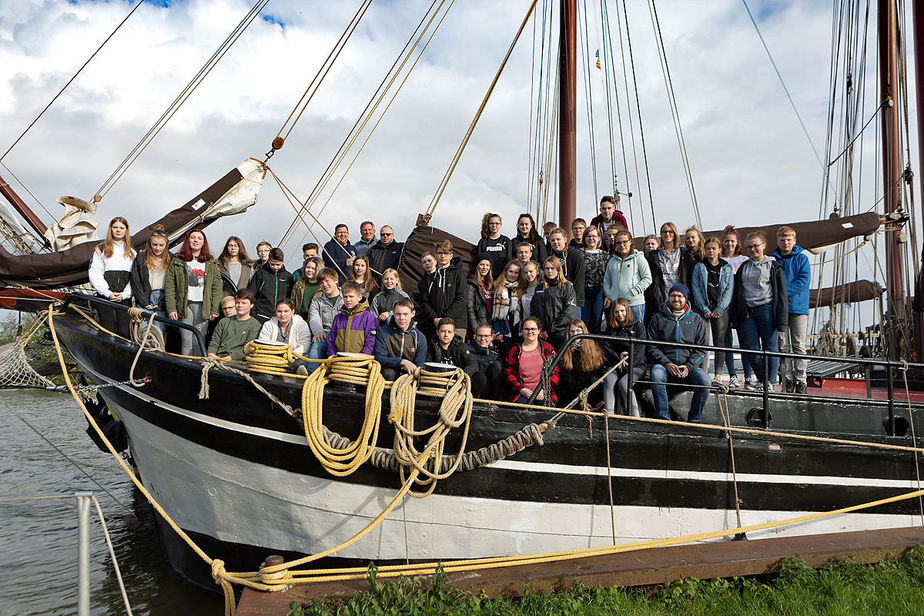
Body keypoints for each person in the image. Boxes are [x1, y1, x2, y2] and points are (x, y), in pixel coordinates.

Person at [731, 231, 788, 391]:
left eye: (756, 246)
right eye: (749, 247)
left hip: (767, 309)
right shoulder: (744, 267)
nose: (753, 249)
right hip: (748, 311)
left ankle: (770, 381)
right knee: (750, 347)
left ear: (763, 246)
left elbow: (782, 293)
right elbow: (738, 291)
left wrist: (782, 320)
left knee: (770, 347)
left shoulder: (774, 266)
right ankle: (764, 380)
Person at [646, 284, 711, 422]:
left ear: (685, 298)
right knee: (656, 375)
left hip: (688, 366)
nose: (676, 299)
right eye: (673, 295)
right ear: (668, 297)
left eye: (680, 296)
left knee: (705, 381)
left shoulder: (696, 319)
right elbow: (651, 346)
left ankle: (694, 419)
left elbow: (702, 348)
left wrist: (689, 366)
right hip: (664, 365)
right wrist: (667, 363)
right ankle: (664, 417)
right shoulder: (657, 318)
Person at [165, 228, 223, 356]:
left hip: (203, 306)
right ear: (188, 240)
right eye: (193, 237)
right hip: (184, 305)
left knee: (199, 340)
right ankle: (186, 367)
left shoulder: (210, 262)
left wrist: (214, 309)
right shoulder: (178, 261)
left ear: (203, 242)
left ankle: (199, 369)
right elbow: (170, 286)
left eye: (199, 238)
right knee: (186, 342)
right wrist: (171, 308)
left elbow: (217, 287)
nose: (196, 240)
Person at [773, 226, 811, 393]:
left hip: (798, 307)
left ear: (794, 241)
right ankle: (787, 379)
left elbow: (804, 281)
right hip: (780, 308)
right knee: (783, 345)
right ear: (778, 242)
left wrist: (782, 291)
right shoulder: (773, 261)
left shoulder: (802, 259)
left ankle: (801, 379)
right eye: (782, 240)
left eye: (788, 240)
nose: (786, 243)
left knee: (798, 345)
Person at [691, 237, 734, 381]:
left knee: (719, 342)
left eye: (714, 248)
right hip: (703, 308)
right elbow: (695, 288)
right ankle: (703, 372)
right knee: (702, 341)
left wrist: (720, 308)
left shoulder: (726, 267)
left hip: (719, 309)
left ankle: (718, 374)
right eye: (708, 248)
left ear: (719, 250)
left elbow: (729, 289)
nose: (711, 251)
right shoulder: (699, 267)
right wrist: (703, 308)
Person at [89, 216, 136, 337]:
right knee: (107, 331)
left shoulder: (132, 253)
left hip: (124, 297)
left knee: (124, 332)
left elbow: (134, 278)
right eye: (115, 227)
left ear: (126, 230)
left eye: (121, 227)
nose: (118, 230)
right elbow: (95, 273)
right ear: (111, 229)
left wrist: (125, 294)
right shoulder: (101, 249)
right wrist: (107, 292)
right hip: (105, 297)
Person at [415, 240, 466, 340]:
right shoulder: (430, 278)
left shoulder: (458, 275)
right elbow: (426, 301)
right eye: (439, 253)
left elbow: (462, 299)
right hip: (435, 325)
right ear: (436, 255)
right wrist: (435, 318)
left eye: (445, 253)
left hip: (456, 324)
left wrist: (446, 318)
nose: (442, 256)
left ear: (451, 255)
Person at [603, 298, 646, 416]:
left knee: (624, 383)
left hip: (636, 365)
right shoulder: (610, 329)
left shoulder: (638, 327)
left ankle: (635, 416)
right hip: (617, 364)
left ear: (627, 310)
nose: (620, 314)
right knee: (609, 379)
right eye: (616, 312)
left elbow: (640, 351)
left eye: (622, 311)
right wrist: (619, 360)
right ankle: (609, 415)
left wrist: (627, 365)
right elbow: (609, 349)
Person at [720, 226, 752, 388]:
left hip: (741, 304)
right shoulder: (719, 261)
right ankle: (732, 375)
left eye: (732, 241)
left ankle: (748, 376)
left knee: (745, 341)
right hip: (725, 305)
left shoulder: (745, 261)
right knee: (726, 341)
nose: (729, 244)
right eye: (726, 241)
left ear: (737, 242)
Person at [503, 316, 559, 406]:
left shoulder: (547, 348)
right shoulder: (514, 350)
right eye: (526, 329)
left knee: (546, 415)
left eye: (533, 329)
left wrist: (544, 390)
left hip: (544, 394)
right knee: (522, 415)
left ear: (539, 330)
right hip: (520, 394)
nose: (530, 332)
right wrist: (520, 389)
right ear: (522, 331)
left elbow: (555, 373)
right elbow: (508, 372)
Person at [603, 228, 652, 324]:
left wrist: (633, 292)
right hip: (617, 305)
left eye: (624, 242)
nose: (622, 245)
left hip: (634, 304)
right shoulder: (612, 261)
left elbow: (647, 279)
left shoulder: (639, 258)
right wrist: (610, 295)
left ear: (630, 242)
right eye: (618, 243)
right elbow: (606, 281)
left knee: (635, 333)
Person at [130, 223, 171, 331]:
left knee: (158, 330)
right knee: (143, 329)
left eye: (161, 245)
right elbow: (135, 280)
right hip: (146, 296)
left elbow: (173, 283)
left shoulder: (171, 259)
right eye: (154, 245)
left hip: (162, 298)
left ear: (166, 244)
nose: (157, 248)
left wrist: (164, 303)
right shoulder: (141, 257)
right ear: (150, 244)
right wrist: (144, 302)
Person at [427, 318, 485, 394]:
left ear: (453, 333)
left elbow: (473, 364)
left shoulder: (459, 346)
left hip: (457, 381)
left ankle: (471, 400)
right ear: (437, 332)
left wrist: (460, 376)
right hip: (438, 382)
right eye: (443, 331)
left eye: (449, 332)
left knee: (480, 377)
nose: (446, 335)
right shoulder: (431, 346)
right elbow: (427, 366)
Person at [374, 298, 427, 380]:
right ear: (393, 314)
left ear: (412, 313)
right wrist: (402, 362)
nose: (401, 318)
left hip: (409, 375)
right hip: (388, 372)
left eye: (405, 314)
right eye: (398, 314)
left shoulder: (419, 337)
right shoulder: (383, 332)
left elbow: (419, 365)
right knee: (388, 374)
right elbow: (379, 357)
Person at [557, 320, 605, 409]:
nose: (575, 334)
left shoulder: (594, 349)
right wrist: (580, 400)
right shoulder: (564, 351)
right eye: (572, 331)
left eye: (578, 331)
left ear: (584, 332)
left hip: (591, 395)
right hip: (573, 396)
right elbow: (566, 381)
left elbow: (599, 375)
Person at [531, 257, 577, 349]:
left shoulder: (567, 287)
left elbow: (569, 312)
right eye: (547, 268)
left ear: (558, 269)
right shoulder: (539, 288)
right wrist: (540, 329)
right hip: (542, 335)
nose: (550, 271)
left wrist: (552, 329)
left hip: (560, 334)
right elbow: (534, 311)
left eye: (552, 268)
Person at [258, 298, 313, 373]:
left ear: (292, 311)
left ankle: (295, 369)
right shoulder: (268, 325)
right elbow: (262, 345)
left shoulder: (301, 324)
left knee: (308, 357)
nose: (282, 314)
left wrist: (288, 356)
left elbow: (305, 346)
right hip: (273, 358)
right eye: (279, 311)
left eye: (286, 311)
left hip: (294, 357)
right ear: (275, 312)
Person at [207, 288, 262, 361]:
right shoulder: (223, 322)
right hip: (217, 359)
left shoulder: (256, 325)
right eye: (237, 302)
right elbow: (214, 342)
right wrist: (211, 354)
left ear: (251, 305)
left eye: (244, 303)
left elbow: (248, 349)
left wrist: (229, 358)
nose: (240, 306)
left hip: (239, 363)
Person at [327, 280, 377, 356]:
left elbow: (370, 343)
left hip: (361, 362)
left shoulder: (369, 318)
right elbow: (331, 341)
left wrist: (361, 359)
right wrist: (332, 356)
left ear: (359, 297)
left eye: (351, 296)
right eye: (345, 297)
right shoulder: (338, 318)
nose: (348, 300)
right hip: (338, 361)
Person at [307, 267, 344, 369]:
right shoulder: (316, 302)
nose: (325, 285)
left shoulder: (346, 298)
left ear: (336, 280)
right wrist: (318, 331)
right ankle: (311, 372)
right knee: (317, 344)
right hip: (325, 333)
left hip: (343, 333)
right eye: (321, 283)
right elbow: (314, 319)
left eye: (327, 281)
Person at [248, 247, 294, 322]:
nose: (275, 267)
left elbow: (290, 297)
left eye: (278, 265)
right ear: (268, 260)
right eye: (272, 264)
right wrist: (253, 313)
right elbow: (251, 294)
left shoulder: (288, 276)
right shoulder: (260, 274)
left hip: (280, 317)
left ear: (283, 262)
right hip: (261, 315)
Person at [548, 228, 585, 320]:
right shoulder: (550, 257)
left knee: (573, 327)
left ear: (565, 239)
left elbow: (579, 279)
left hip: (572, 299)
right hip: (556, 299)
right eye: (553, 240)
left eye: (558, 239)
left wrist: (576, 300)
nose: (555, 242)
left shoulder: (575, 255)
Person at [580, 225, 609, 333]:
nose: (591, 239)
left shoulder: (605, 256)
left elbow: (608, 277)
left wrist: (607, 295)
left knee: (596, 322)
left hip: (599, 292)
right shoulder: (578, 254)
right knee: (584, 322)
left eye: (594, 236)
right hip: (583, 291)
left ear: (599, 238)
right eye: (588, 236)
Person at [467, 321, 504, 400]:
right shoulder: (466, 351)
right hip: (471, 391)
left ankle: (495, 401)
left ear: (492, 337)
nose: (483, 339)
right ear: (475, 336)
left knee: (497, 366)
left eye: (486, 336)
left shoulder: (495, 355)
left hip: (488, 394)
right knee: (480, 376)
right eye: (480, 335)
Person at [491, 260, 522, 342]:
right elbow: (494, 314)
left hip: (518, 328)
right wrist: (497, 332)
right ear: (506, 272)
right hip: (503, 330)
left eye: (516, 272)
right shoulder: (498, 288)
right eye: (510, 271)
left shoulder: (521, 289)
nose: (513, 275)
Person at [476, 213, 514, 278]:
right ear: (488, 225)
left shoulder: (506, 241)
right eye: (491, 223)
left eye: (497, 223)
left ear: (501, 225)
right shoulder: (483, 241)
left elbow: (509, 260)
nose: (494, 225)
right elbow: (479, 260)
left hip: (502, 278)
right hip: (486, 277)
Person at [466, 255, 494, 337]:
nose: (485, 267)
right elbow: (469, 308)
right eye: (482, 264)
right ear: (477, 266)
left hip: (490, 325)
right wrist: (476, 329)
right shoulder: (471, 283)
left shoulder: (490, 284)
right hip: (479, 326)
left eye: (487, 265)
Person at [642, 234, 665, 325]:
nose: (650, 246)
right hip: (645, 294)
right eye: (647, 244)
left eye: (652, 243)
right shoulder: (641, 259)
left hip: (658, 293)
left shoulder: (661, 259)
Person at [655, 222, 682, 294]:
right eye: (664, 232)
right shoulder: (654, 255)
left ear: (675, 233)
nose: (667, 234)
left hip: (680, 295)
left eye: (670, 231)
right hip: (662, 294)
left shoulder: (683, 253)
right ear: (661, 234)